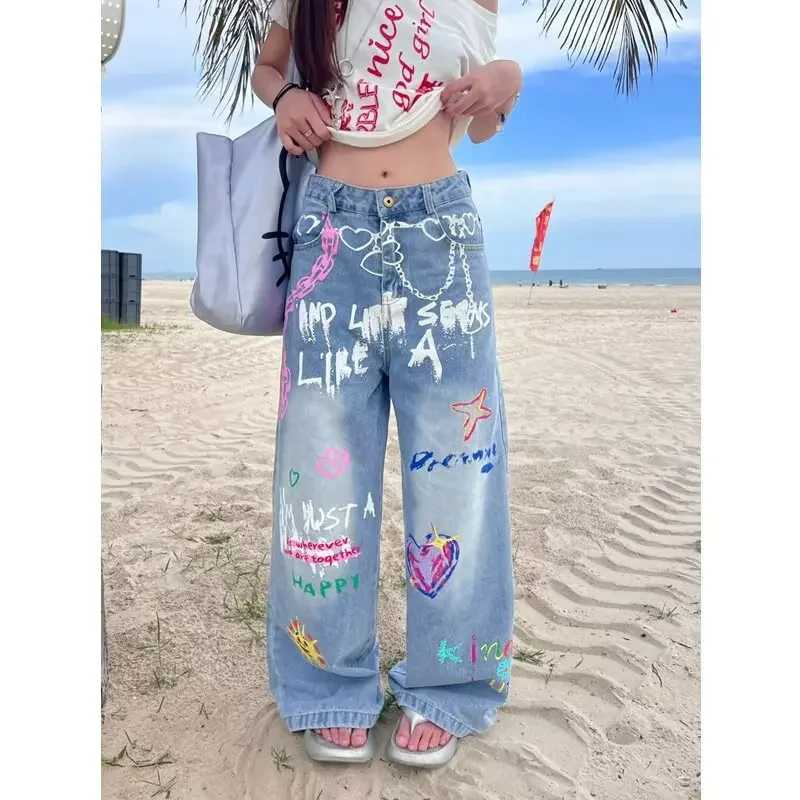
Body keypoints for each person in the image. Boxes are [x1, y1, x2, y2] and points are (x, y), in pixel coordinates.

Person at [253, 0, 520, 768]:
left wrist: (506, 82)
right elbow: (267, 67)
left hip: (441, 236)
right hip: (332, 228)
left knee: (459, 470)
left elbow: (484, 125)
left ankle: (453, 681)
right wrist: (285, 96)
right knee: (320, 472)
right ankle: (328, 679)